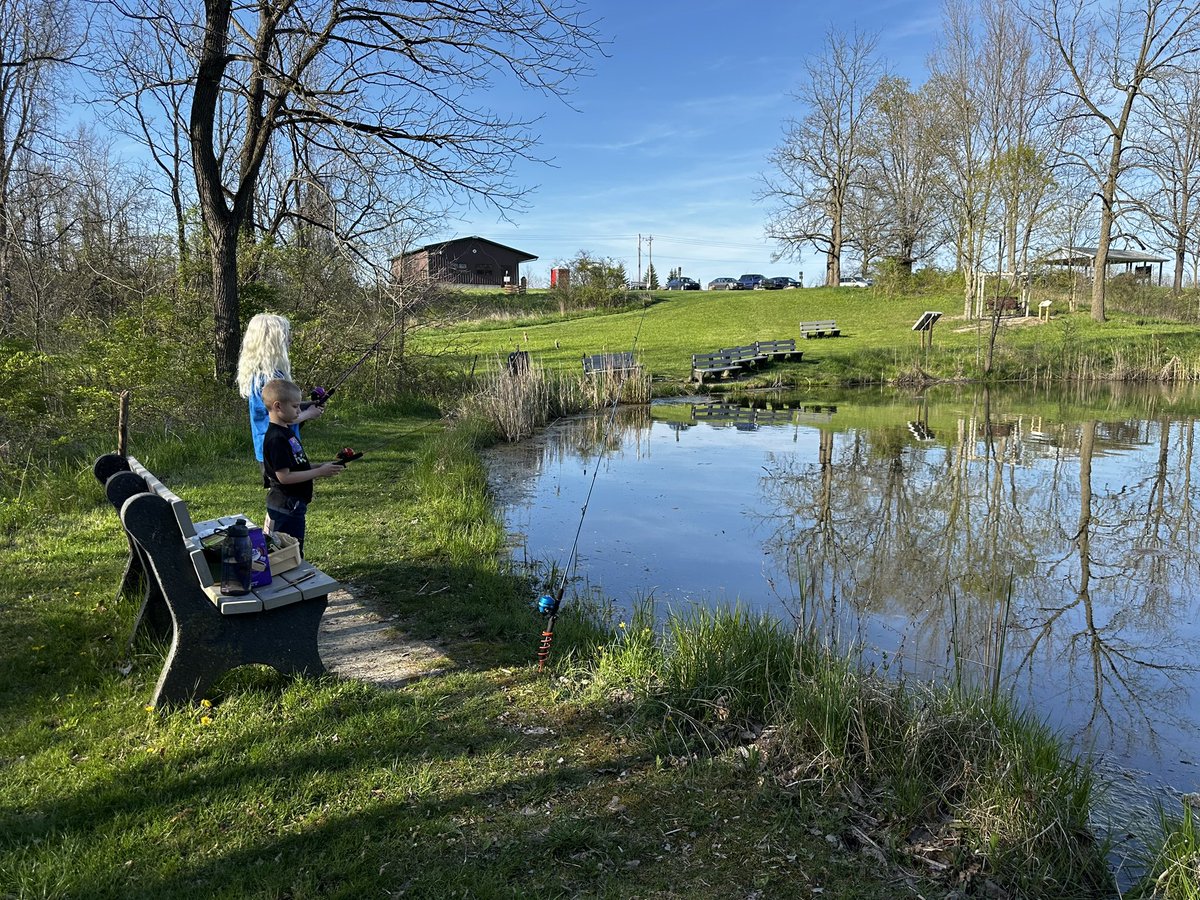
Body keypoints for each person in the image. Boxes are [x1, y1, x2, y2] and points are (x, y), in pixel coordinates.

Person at [260, 378, 343, 555]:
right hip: (286, 506)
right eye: (295, 406)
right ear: (278, 406)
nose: (299, 411)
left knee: (294, 548)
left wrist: (320, 466)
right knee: (288, 552)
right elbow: (284, 477)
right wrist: (319, 472)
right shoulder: (276, 438)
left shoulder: (286, 432)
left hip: (293, 505)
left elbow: (295, 466)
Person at [236, 313, 325, 471]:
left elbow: (276, 408)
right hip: (278, 446)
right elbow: (284, 417)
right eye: (285, 335)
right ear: (272, 342)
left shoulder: (259, 375)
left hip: (270, 446)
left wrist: (306, 405)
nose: (290, 340)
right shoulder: (270, 379)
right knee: (286, 491)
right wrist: (309, 413)